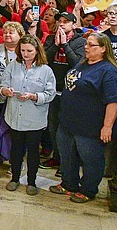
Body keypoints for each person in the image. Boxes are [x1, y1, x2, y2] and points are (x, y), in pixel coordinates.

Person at [50, 32, 117, 203]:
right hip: (68, 122)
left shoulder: (108, 72)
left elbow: (113, 101)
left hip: (90, 126)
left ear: (103, 49)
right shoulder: (83, 63)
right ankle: (69, 183)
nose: (86, 47)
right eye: (86, 44)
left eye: (91, 45)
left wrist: (107, 127)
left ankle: (88, 189)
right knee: (66, 156)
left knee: (91, 160)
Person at [0, 35, 56, 195]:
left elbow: (50, 94)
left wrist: (34, 96)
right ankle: (15, 178)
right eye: (23, 50)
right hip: (14, 116)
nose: (25, 54)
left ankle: (32, 181)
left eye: (29, 51)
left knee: (32, 151)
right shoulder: (13, 65)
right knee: (16, 149)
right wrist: (6, 91)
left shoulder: (46, 70)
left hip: (34, 118)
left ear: (37, 50)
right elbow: (3, 85)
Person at [41, 11, 85, 172]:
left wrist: (65, 45)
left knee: (67, 129)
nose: (62, 23)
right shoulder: (51, 39)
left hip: (71, 93)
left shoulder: (80, 42)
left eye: (66, 21)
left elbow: (78, 64)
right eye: (60, 20)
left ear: (74, 25)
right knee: (53, 127)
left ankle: (68, 163)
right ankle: (57, 158)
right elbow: (44, 60)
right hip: (53, 90)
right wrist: (56, 45)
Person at [0, 21, 24, 168]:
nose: (7, 34)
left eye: (11, 32)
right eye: (5, 32)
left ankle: (14, 158)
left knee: (13, 130)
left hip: (15, 99)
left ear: (20, 35)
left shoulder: (24, 50)